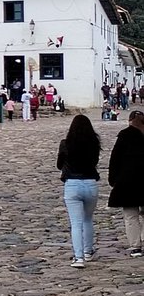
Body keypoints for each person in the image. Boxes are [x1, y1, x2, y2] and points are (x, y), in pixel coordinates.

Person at [57, 113, 101, 267]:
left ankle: (78, 257)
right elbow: (95, 161)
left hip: (72, 184)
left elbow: (59, 164)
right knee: (88, 219)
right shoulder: (94, 142)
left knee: (76, 223)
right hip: (90, 183)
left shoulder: (66, 143)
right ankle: (88, 251)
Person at [108, 110, 144, 257]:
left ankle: (135, 246)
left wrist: (113, 179)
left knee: (131, 215)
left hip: (128, 181)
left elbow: (115, 158)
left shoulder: (124, 135)